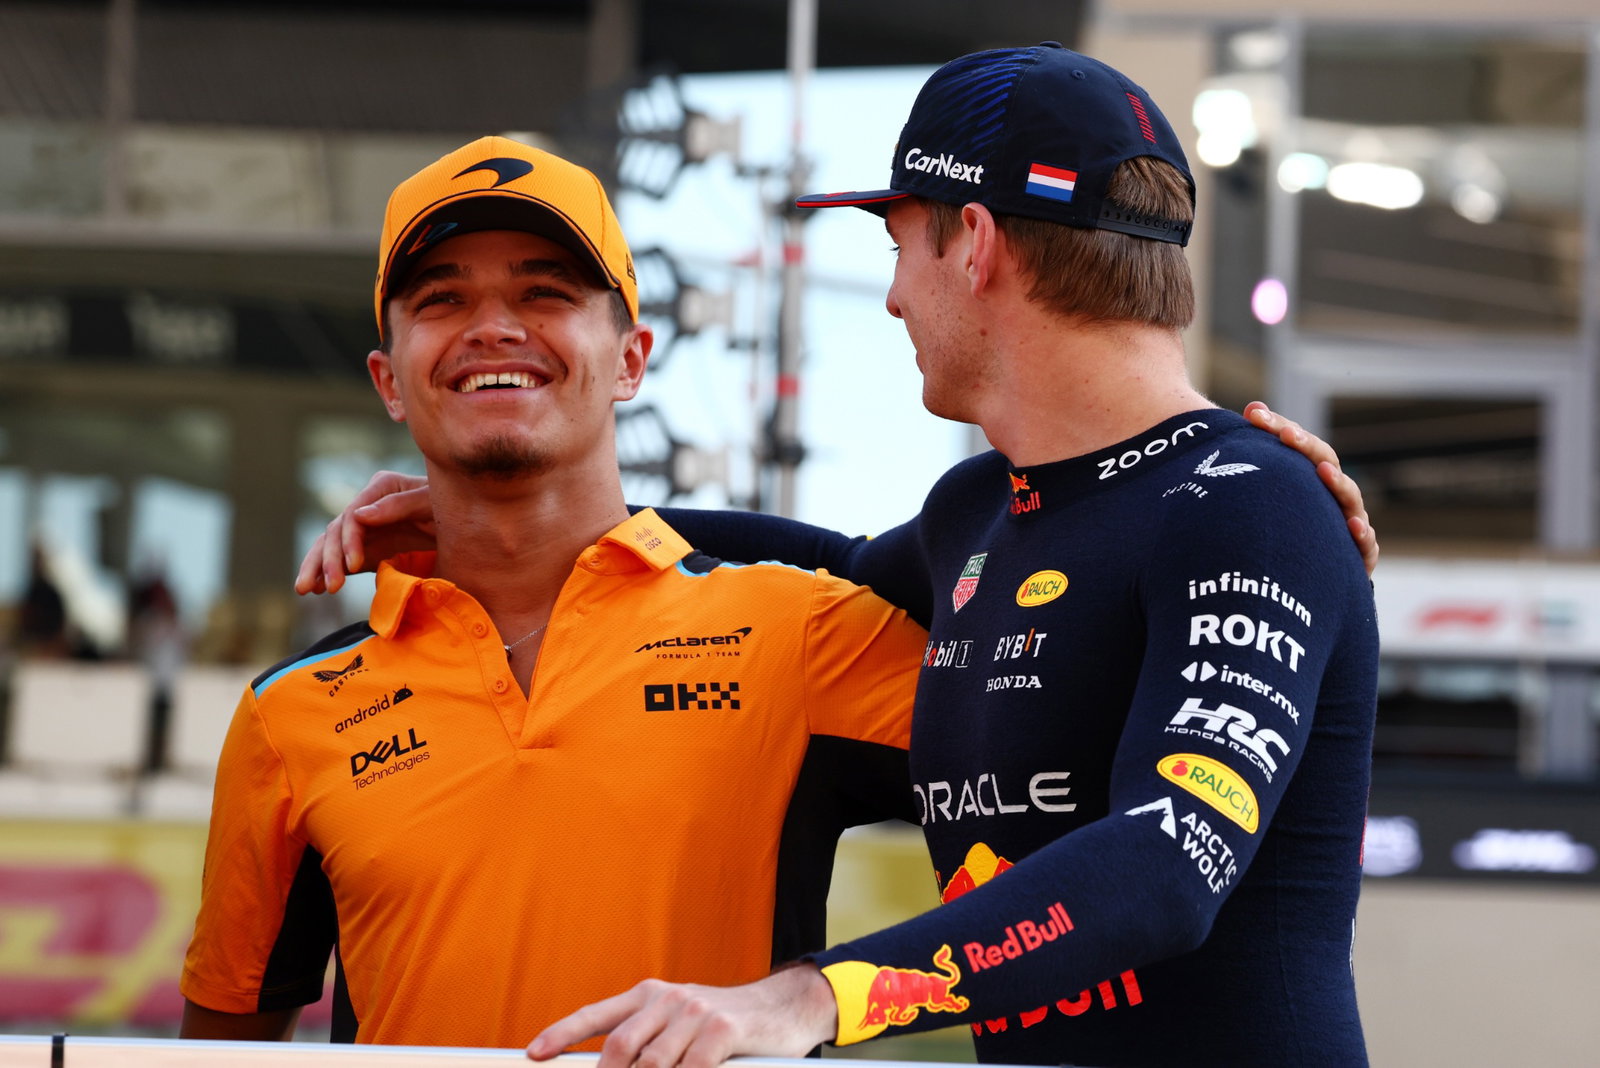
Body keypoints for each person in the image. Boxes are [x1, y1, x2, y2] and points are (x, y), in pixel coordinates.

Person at [297, 49, 1380, 1066]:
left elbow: (1169, 863)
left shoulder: (1257, 506)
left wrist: (804, 996)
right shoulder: (978, 513)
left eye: (896, 247)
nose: (898, 295)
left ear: (974, 242)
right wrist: (506, 520)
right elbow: (824, 565)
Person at [177, 135, 928, 1048]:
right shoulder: (287, 716)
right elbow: (220, 1052)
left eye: (545, 292)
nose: (492, 326)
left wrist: (824, 995)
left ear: (631, 360)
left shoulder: (803, 634)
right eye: (443, 299)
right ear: (391, 383)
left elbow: (1079, 827)